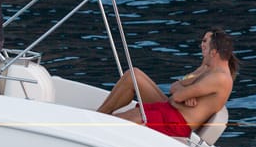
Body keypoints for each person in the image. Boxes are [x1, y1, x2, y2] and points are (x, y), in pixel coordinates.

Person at [96, 28, 240, 137]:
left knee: (118, 121)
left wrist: (184, 92)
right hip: (170, 111)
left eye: (205, 42)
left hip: (175, 123)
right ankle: (97, 116)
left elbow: (176, 96)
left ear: (214, 52)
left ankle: (94, 127)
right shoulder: (207, 68)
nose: (201, 45)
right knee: (134, 75)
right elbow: (174, 87)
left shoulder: (219, 77)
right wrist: (186, 91)